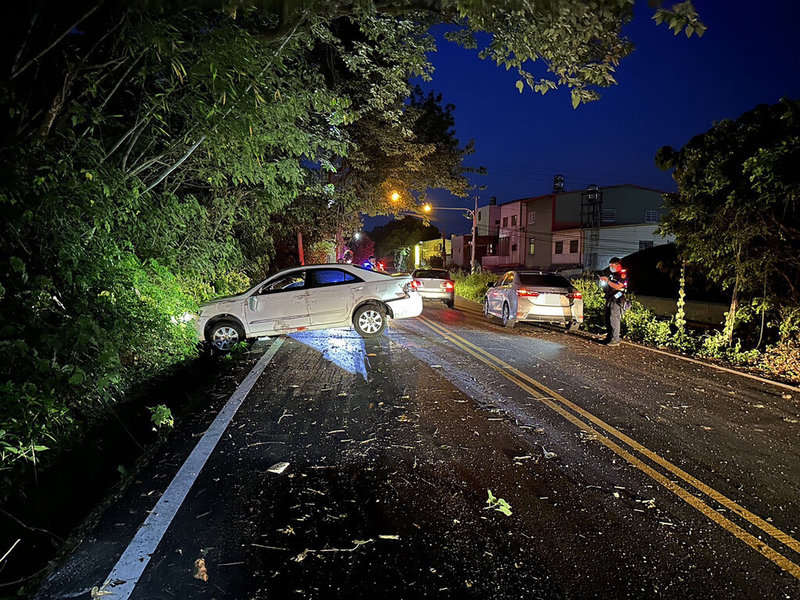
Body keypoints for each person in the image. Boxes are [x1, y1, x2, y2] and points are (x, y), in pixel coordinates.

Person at [599, 257, 628, 346]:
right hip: (610, 298)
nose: (610, 267)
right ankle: (609, 338)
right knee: (607, 318)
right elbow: (610, 285)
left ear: (617, 265)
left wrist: (607, 281)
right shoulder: (612, 275)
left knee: (614, 318)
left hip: (617, 299)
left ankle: (616, 339)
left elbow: (618, 287)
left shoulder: (622, 274)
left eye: (612, 265)